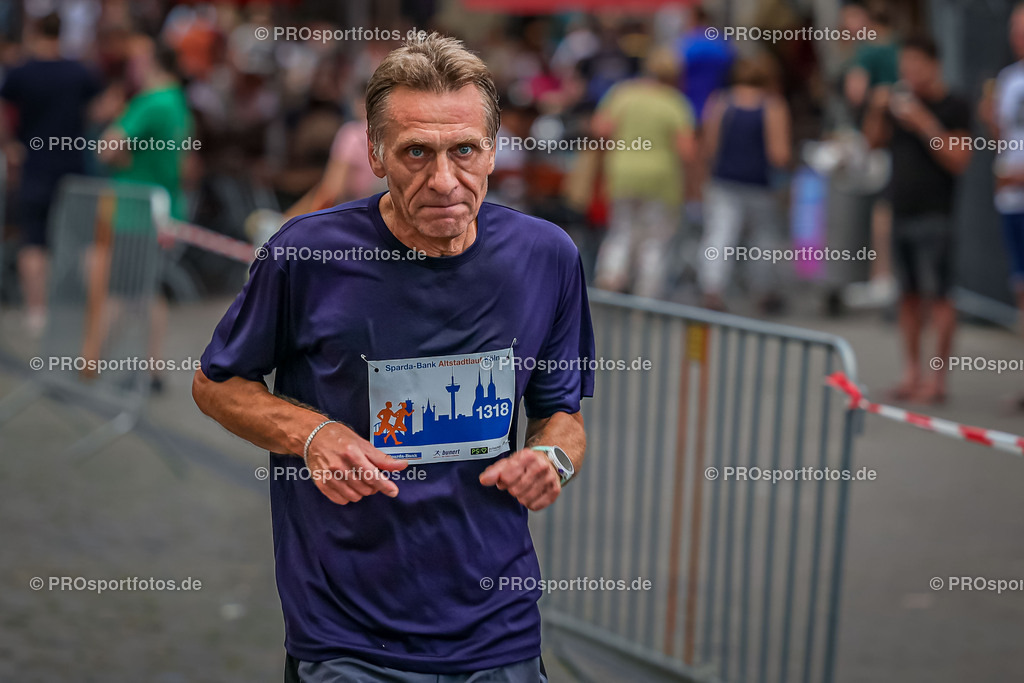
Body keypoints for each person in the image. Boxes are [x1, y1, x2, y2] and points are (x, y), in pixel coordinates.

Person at [192, 33, 594, 682]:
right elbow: (216, 383)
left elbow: (562, 414)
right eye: (416, 153)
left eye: (464, 150)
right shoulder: (307, 253)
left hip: (499, 627)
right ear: (375, 154)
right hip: (347, 634)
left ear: (493, 150)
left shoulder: (546, 256)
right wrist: (313, 433)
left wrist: (552, 459)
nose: (443, 179)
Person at [863, 34, 971, 404]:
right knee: (906, 296)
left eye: (916, 66)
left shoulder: (953, 104)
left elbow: (959, 159)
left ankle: (937, 379)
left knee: (939, 297)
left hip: (936, 213)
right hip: (901, 209)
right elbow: (871, 144)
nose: (910, 74)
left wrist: (923, 121)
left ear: (934, 65)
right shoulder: (896, 105)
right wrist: (878, 109)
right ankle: (911, 373)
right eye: (905, 67)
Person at [0, 12, 103, 336]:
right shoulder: (79, 71)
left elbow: (4, 112)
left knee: (34, 240)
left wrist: (11, 145)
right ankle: (91, 306)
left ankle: (36, 310)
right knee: (86, 238)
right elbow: (99, 109)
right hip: (73, 165)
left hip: (36, 165)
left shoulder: (21, 73)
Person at [591, 47, 696, 298]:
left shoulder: (623, 93)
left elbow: (600, 129)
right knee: (655, 240)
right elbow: (687, 150)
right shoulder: (675, 102)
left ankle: (611, 277)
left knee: (621, 229)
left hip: (623, 173)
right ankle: (647, 293)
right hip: (661, 178)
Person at [698, 56, 791, 311]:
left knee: (720, 234)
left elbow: (709, 146)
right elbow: (779, 154)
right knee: (763, 239)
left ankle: (712, 288)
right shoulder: (773, 106)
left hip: (724, 180)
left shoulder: (721, 102)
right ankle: (763, 291)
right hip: (759, 183)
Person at [982, 2, 1024, 409]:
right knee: (1020, 290)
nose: (1017, 37)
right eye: (1014, 30)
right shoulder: (1009, 79)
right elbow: (1006, 142)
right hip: (1011, 201)